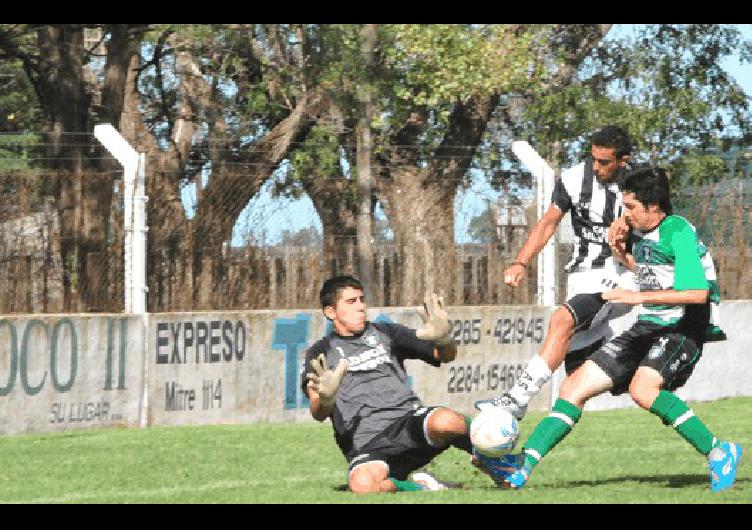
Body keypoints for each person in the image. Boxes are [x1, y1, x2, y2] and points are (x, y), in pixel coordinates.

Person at [475, 167, 742, 493]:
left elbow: (696, 292)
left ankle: (719, 451)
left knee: (643, 390)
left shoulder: (677, 231)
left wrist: (636, 295)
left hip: (683, 328)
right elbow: (655, 271)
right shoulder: (641, 230)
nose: (624, 213)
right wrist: (620, 252)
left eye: (630, 207)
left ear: (653, 207)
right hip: (649, 325)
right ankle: (521, 466)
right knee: (573, 388)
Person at [476, 124, 638, 420]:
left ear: (623, 161)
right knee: (573, 387)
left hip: (620, 278)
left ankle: (516, 398)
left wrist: (629, 225)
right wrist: (520, 262)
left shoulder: (640, 184)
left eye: (604, 162)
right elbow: (549, 222)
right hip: (581, 277)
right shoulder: (575, 178)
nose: (597, 167)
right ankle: (610, 348)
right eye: (593, 159)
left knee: (561, 319)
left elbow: (662, 226)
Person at [301, 275, 477, 493]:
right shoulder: (320, 353)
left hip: (408, 424)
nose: (361, 307)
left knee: (448, 421)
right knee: (362, 486)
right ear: (330, 312)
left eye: (361, 299)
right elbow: (317, 412)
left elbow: (445, 356)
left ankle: (499, 460)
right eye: (351, 302)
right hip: (368, 444)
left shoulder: (386, 333)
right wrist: (326, 399)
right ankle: (423, 487)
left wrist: (444, 340)